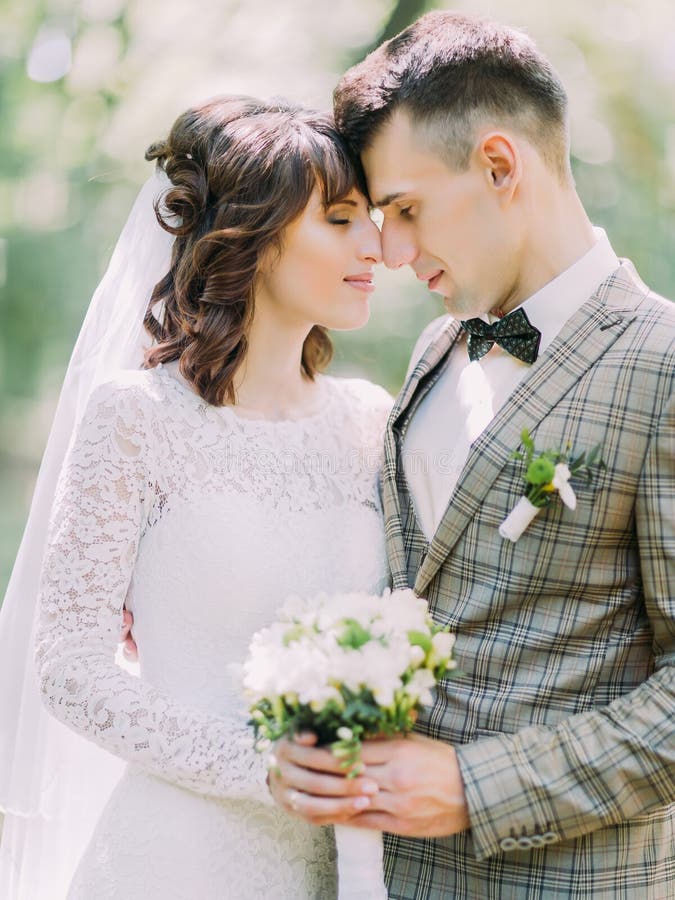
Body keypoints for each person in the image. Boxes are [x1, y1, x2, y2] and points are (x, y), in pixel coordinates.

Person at [269, 11, 675, 899]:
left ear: (499, 165)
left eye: (405, 209)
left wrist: (473, 787)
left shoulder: (664, 365)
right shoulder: (434, 351)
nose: (391, 250)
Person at [0, 95, 392, 899]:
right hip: (176, 860)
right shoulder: (136, 418)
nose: (376, 245)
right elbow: (71, 667)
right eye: (342, 219)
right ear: (255, 231)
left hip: (348, 865)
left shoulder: (372, 422)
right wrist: (261, 768)